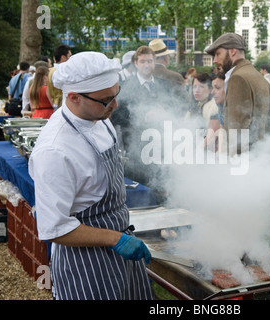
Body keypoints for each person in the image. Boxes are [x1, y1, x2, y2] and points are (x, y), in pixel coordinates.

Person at [28, 51, 153, 300]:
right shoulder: (54, 150)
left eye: (115, 95)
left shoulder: (100, 118)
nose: (114, 106)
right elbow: (54, 228)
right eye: (106, 100)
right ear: (73, 97)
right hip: (85, 263)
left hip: (121, 247)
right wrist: (115, 239)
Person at [111, 46, 173, 204]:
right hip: (136, 150)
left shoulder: (163, 85)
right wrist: (141, 116)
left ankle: (164, 226)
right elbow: (116, 116)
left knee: (163, 191)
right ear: (135, 63)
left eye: (150, 61)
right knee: (142, 197)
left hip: (161, 148)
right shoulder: (124, 86)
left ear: (154, 63)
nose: (147, 65)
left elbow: (174, 109)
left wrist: (165, 114)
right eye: (143, 61)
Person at [206, 33, 270, 155]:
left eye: (218, 54)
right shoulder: (257, 75)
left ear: (233, 51)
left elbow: (236, 129)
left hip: (242, 159)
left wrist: (232, 161)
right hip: (258, 155)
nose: (214, 60)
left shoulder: (238, 78)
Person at [149, 39, 188, 108]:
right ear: (165, 57)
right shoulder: (176, 77)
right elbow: (184, 101)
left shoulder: (143, 76)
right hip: (172, 116)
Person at [46, 44, 72, 109]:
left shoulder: (50, 70)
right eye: (70, 56)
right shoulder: (60, 71)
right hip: (61, 105)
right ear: (63, 57)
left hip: (56, 104)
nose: (71, 59)